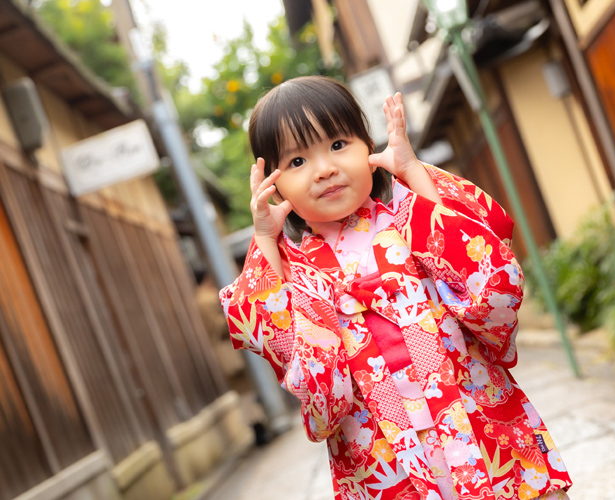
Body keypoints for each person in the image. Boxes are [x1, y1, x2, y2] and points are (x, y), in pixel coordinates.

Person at [220, 76, 571, 500]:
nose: (324, 169)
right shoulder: (295, 268)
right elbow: (283, 343)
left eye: (337, 145)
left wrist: (411, 172)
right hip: (380, 448)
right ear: (272, 184)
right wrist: (264, 241)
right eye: (296, 162)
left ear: (367, 146)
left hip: (468, 407)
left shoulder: (407, 212)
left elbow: (483, 270)